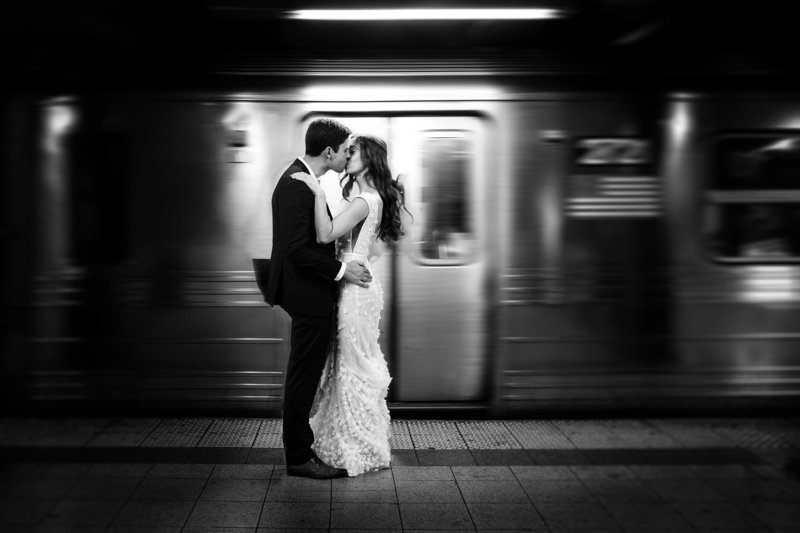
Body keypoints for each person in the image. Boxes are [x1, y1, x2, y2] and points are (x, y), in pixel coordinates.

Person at [291, 134, 409, 476]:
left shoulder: (363, 199)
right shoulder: (367, 198)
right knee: (352, 360)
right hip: (359, 283)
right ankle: (356, 439)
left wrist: (316, 193)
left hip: (355, 291)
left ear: (369, 160)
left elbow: (325, 235)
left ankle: (356, 445)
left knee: (351, 363)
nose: (347, 156)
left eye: (353, 152)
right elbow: (366, 249)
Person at [264, 118, 373, 479]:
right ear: (329, 151)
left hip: (309, 291)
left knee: (306, 372)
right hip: (308, 294)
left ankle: (301, 450)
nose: (346, 157)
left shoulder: (300, 180)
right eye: (344, 151)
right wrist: (342, 272)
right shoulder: (297, 185)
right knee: (303, 375)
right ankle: (298, 456)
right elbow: (297, 250)